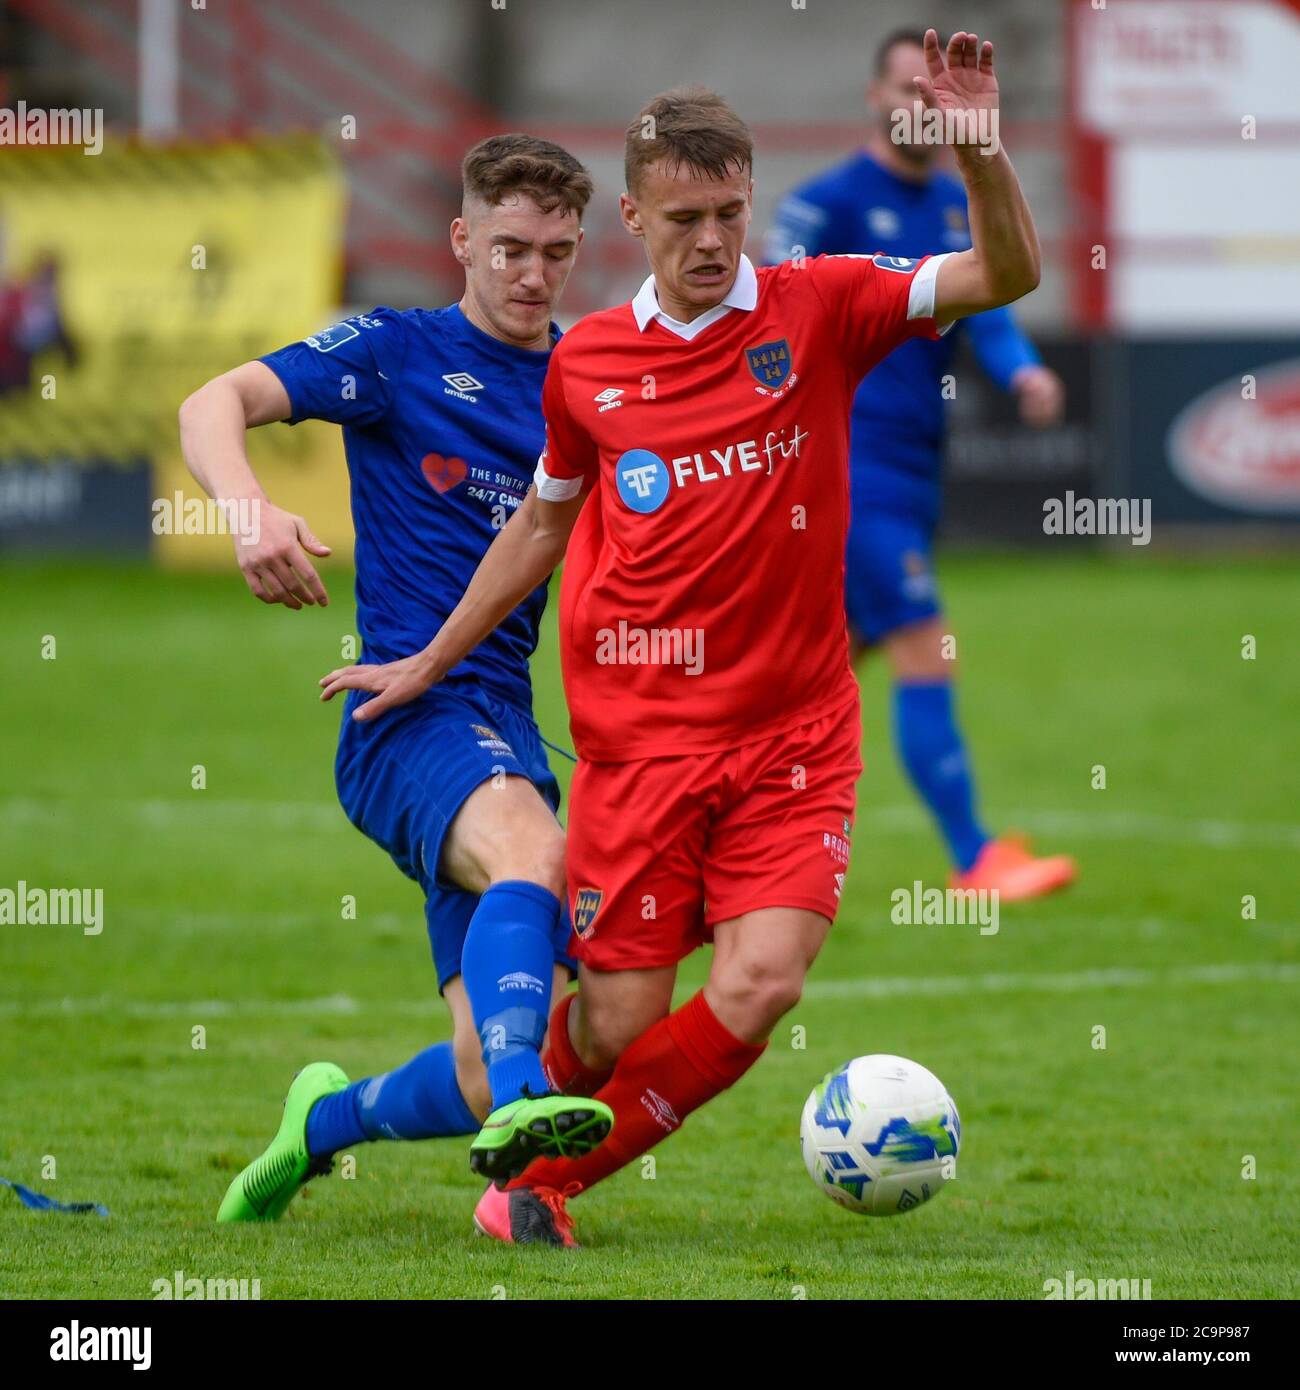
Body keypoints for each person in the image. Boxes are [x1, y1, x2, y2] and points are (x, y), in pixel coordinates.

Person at [321, 31, 1043, 1247]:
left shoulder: (823, 304)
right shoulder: (590, 365)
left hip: (795, 734)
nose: (710, 241)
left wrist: (977, 156)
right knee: (608, 1022)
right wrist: (428, 661)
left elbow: (1002, 275)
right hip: (642, 748)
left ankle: (540, 1189)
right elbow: (539, 530)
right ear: (637, 222)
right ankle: (399, 1114)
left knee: (763, 980)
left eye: (728, 212)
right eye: (683, 219)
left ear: (749, 201)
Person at [178, 134, 613, 1224]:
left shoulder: (589, 380)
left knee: (473, 1060)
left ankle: (325, 1120)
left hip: (504, 725)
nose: (531, 274)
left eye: (555, 252)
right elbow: (209, 405)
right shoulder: (397, 350)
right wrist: (250, 510)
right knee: (533, 855)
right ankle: (527, 1115)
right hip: (400, 715)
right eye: (509, 248)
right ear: (462, 239)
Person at [765, 28, 1075, 899]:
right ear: (874, 97)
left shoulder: (952, 204)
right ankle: (974, 856)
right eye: (906, 88)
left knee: (815, 666)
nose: (920, 106)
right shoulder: (826, 204)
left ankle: (717, 804)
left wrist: (1023, 372)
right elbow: (772, 316)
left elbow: (992, 308)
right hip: (848, 468)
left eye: (931, 93)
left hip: (909, 469)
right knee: (925, 646)